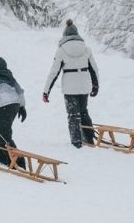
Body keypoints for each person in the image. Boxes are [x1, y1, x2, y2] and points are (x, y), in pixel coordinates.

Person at [42, 19, 100, 148]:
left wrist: (47, 91)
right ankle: (89, 139)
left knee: (73, 114)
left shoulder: (61, 50)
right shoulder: (86, 49)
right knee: (84, 111)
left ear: (65, 35)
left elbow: (54, 72)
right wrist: (96, 85)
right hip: (84, 84)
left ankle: (76, 142)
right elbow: (94, 68)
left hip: (69, 86)